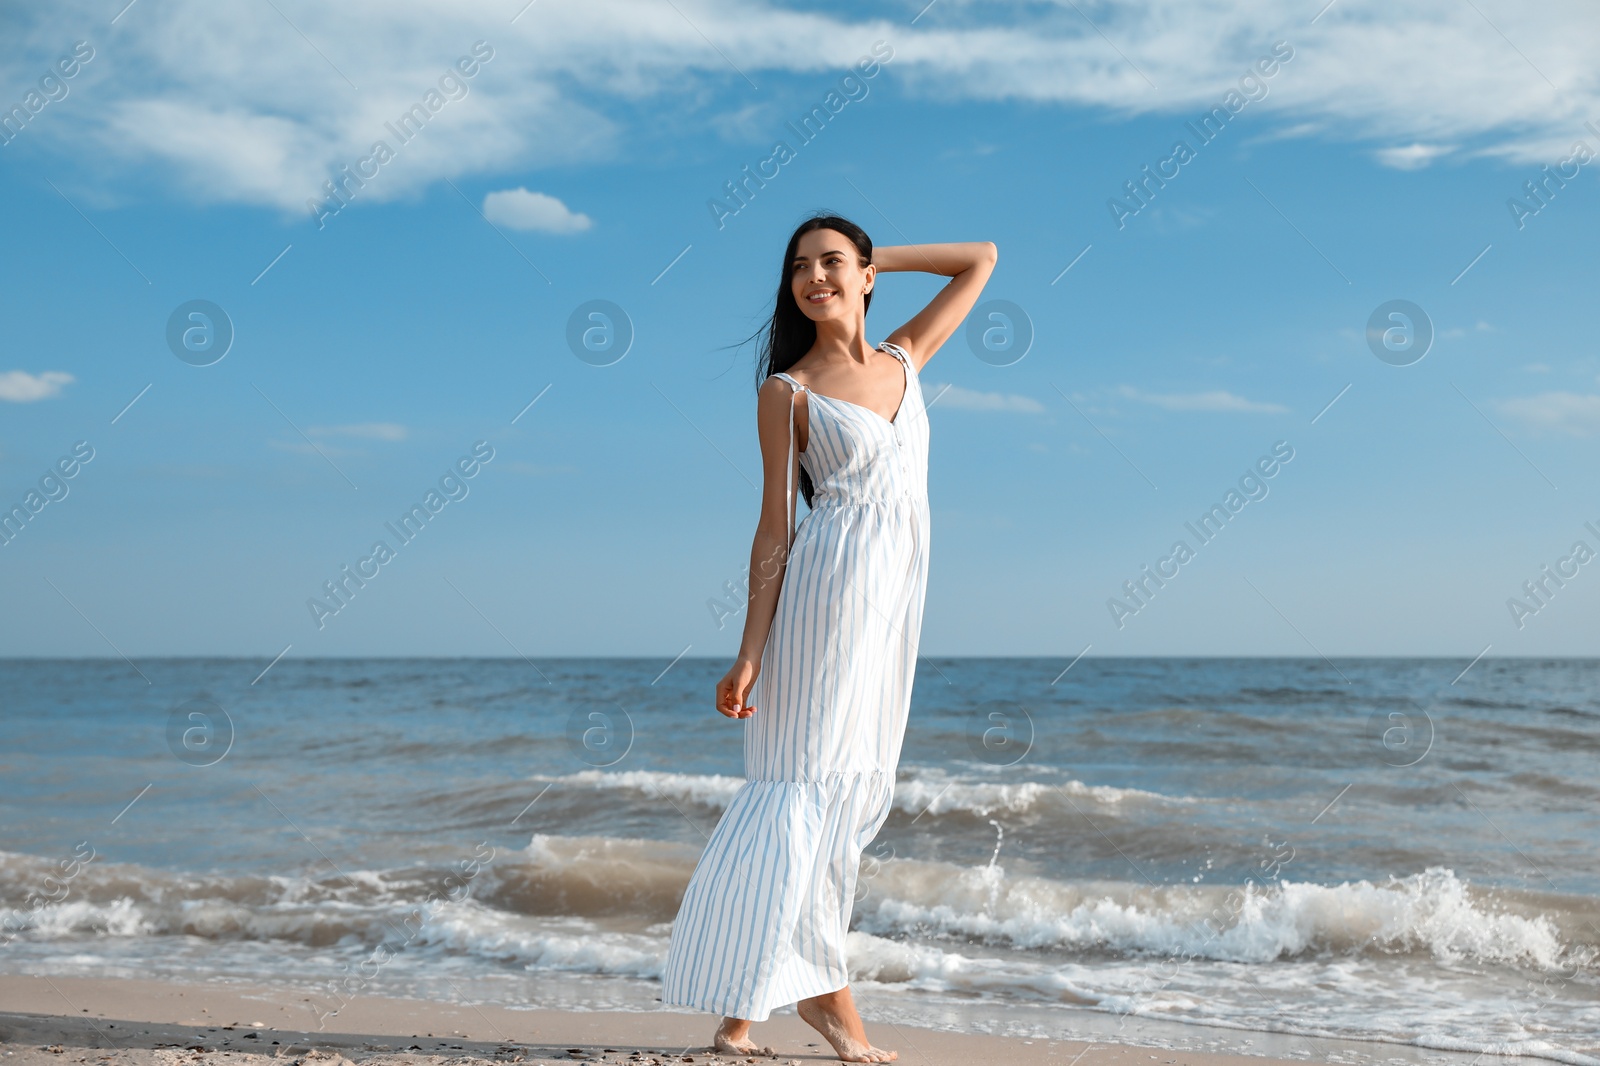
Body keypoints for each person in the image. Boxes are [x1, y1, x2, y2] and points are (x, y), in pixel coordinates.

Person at [660, 213, 998, 1063]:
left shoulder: (903, 358)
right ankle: (828, 1006)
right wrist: (748, 650)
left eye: (833, 263)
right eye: (801, 267)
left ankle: (745, 1007)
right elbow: (773, 528)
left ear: (866, 274)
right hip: (827, 597)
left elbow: (980, 259)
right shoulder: (788, 391)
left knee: (844, 796)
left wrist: (883, 255)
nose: (815, 277)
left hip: (891, 606)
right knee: (806, 790)